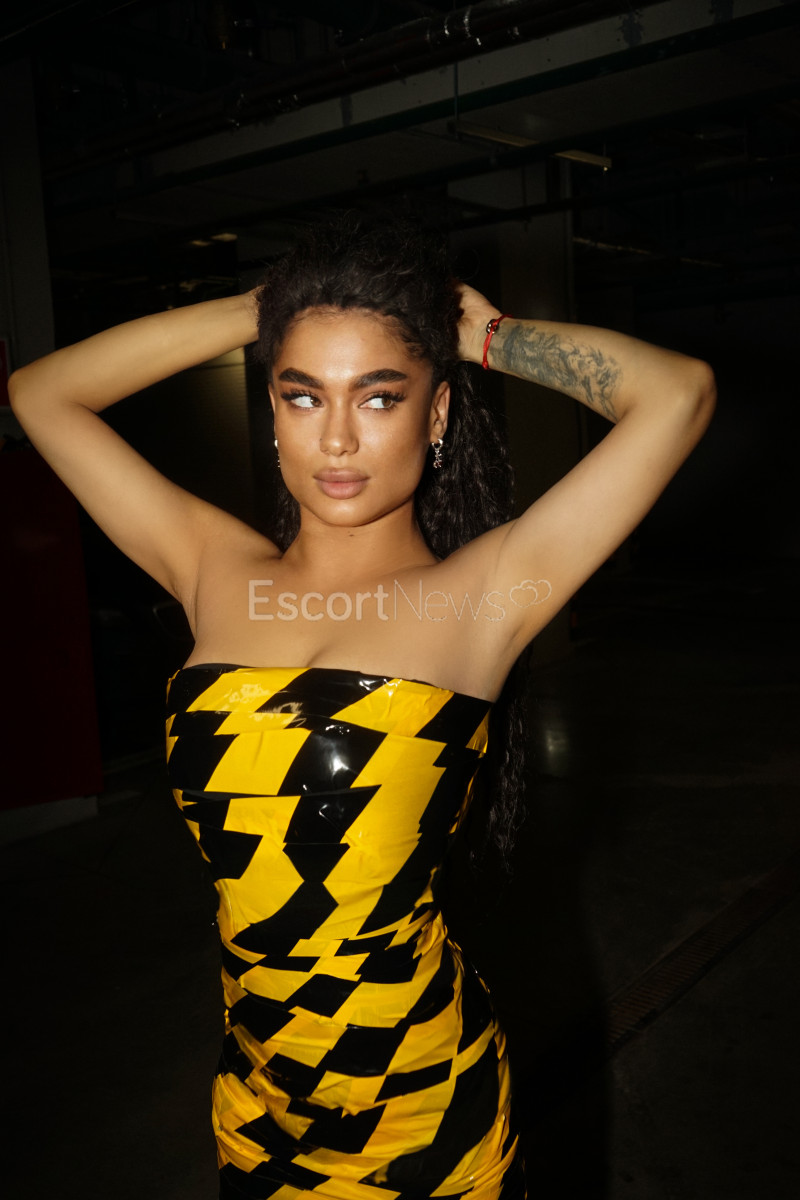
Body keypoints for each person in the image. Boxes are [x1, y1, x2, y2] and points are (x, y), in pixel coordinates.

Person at [8, 213, 715, 1199]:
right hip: (256, 1108)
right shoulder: (212, 567)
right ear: (271, 408)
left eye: (379, 397)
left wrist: (482, 337)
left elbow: (676, 394)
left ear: (436, 414)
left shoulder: (483, 598)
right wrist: (262, 311)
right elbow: (40, 394)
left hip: (423, 1113)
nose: (335, 438)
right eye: (302, 395)